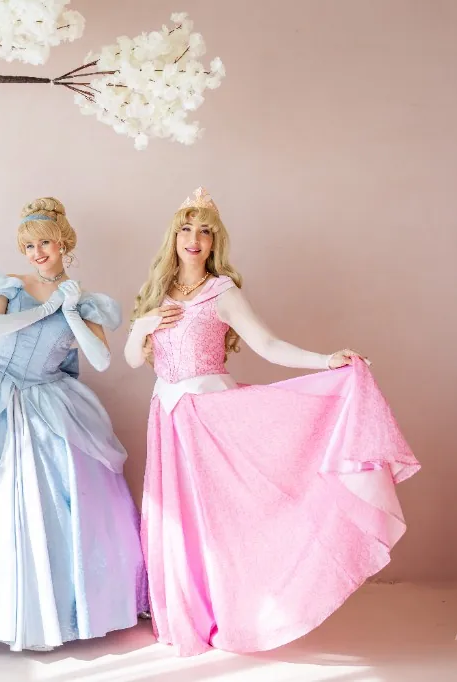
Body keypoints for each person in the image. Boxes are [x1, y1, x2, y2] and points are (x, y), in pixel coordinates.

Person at [125, 188, 421, 656]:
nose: (194, 239)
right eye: (186, 229)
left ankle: (235, 610)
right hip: (167, 417)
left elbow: (268, 345)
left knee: (223, 517)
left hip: (211, 417)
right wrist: (143, 325)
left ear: (215, 241)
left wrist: (327, 361)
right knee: (176, 516)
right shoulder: (158, 293)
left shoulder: (223, 292)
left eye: (205, 230)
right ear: (173, 237)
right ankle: (184, 613)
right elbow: (131, 358)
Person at [0, 197, 148, 651]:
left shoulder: (87, 302)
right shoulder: (11, 286)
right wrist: (48, 310)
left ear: (64, 242)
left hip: (49, 397)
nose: (37, 253)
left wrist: (72, 311)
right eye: (28, 246)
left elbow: (100, 360)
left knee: (58, 497)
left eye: (44, 243)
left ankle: (58, 613)